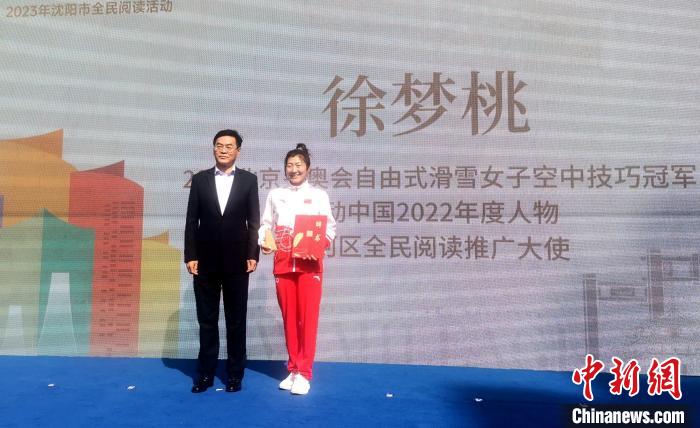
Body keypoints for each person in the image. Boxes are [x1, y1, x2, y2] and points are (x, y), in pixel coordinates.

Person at [184, 129, 260, 393]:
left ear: (238, 150)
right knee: (207, 321)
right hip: (204, 261)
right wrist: (190, 255)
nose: (224, 150)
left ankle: (235, 375)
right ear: (213, 148)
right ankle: (205, 374)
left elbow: (254, 221)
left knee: (236, 320)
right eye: (219, 145)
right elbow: (191, 220)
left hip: (238, 261)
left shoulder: (249, 180)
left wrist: (252, 254)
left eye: (229, 146)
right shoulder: (200, 180)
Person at [259, 143, 336, 395]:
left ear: (308, 168)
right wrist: (265, 241)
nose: (294, 169)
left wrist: (318, 244)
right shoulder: (275, 194)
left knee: (308, 319)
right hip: (283, 264)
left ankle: (305, 372)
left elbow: (330, 228)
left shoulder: (319, 195)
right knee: (289, 318)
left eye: (298, 165)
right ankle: (293, 368)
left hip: (309, 265)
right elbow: (266, 224)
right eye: (290, 165)